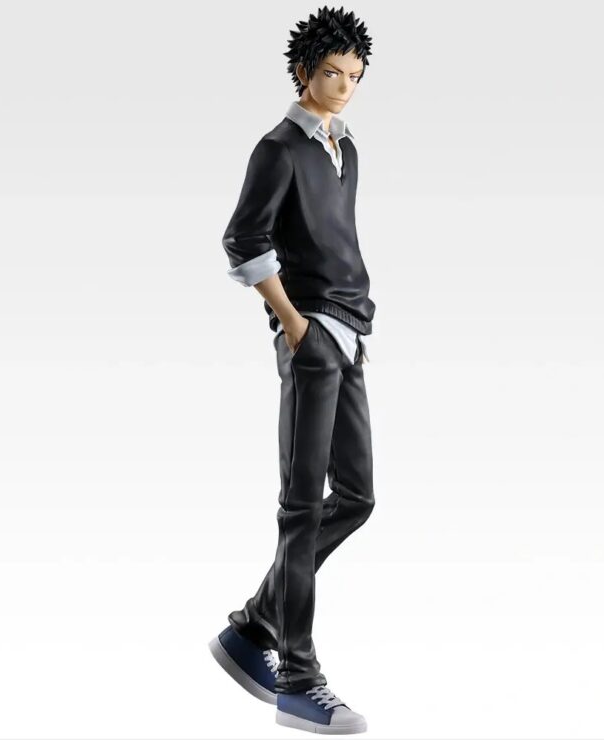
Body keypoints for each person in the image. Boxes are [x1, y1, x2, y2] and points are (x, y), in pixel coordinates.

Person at [208, 7, 376, 734]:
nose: (342, 86)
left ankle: (253, 625)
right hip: (311, 338)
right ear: (303, 71)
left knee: (358, 497)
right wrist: (293, 322)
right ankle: (298, 681)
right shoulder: (278, 149)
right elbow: (243, 239)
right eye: (331, 72)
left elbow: (336, 240)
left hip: (352, 333)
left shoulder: (346, 147)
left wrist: (345, 325)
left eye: (354, 76)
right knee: (302, 508)